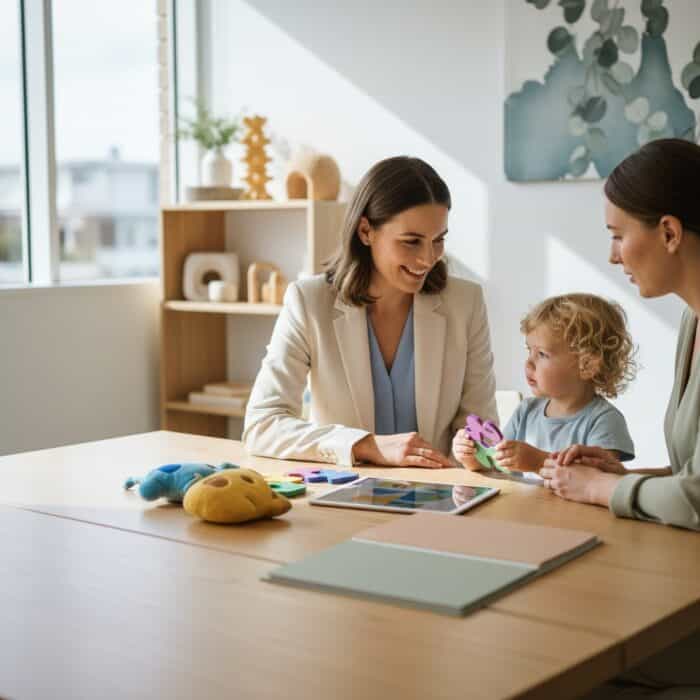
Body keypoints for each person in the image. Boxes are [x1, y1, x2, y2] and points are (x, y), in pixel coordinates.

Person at [538, 139, 700, 699]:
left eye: (617, 234)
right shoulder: (692, 323)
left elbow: (698, 500)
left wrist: (604, 489)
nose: (612, 255)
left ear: (670, 233)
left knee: (559, 643)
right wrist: (623, 475)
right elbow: (691, 476)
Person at [242, 156, 498, 468]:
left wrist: (476, 451)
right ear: (366, 231)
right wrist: (365, 445)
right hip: (344, 499)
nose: (428, 259)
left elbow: (481, 429)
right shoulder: (308, 302)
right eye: (411, 242)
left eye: (438, 240)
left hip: (441, 499)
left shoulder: (465, 303)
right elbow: (262, 425)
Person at [452, 294, 636, 474]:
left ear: (586, 365)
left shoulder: (604, 420)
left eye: (542, 354)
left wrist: (539, 462)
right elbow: (496, 464)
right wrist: (472, 457)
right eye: (529, 351)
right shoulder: (526, 411)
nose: (528, 363)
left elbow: (599, 479)